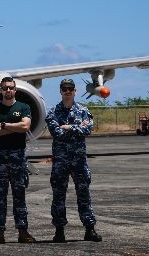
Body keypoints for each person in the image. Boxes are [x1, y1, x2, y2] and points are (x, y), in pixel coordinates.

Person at [45, 79, 102, 243]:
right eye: (65, 89)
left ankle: (89, 229)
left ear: (75, 91)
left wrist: (68, 127)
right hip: (61, 161)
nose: (68, 91)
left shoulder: (84, 110)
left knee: (84, 195)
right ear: (61, 91)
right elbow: (56, 133)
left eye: (70, 89)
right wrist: (77, 128)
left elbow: (89, 128)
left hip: (79, 161)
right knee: (58, 197)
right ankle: (59, 231)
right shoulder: (53, 112)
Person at [0, 76, 36, 244]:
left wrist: (4, 125)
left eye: (11, 87)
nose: (8, 90)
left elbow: (26, 127)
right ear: (1, 90)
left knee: (19, 195)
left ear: (15, 89)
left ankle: (23, 231)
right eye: (5, 88)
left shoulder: (24, 107)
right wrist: (15, 128)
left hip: (18, 157)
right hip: (0, 156)